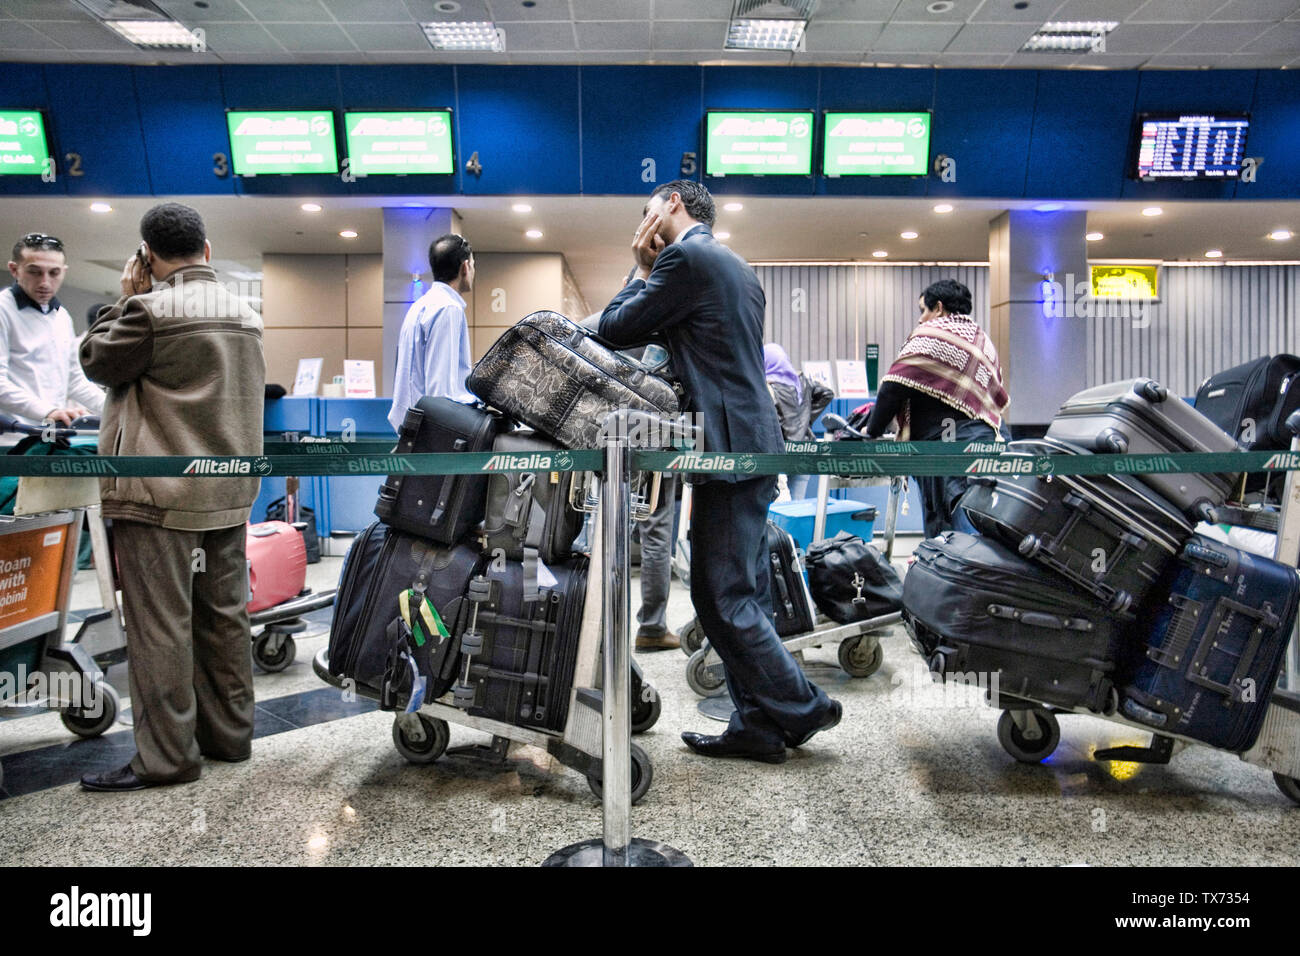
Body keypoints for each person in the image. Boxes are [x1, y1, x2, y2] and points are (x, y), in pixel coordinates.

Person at [600, 180, 840, 764]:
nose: (644, 220)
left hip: (732, 449)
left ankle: (806, 706)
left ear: (674, 205)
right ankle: (756, 725)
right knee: (743, 591)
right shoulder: (733, 264)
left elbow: (612, 329)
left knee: (720, 595)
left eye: (649, 208)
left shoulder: (683, 258)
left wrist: (638, 268)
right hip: (749, 443)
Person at [78, 203, 265, 791]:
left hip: (159, 498)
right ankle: (230, 737)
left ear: (149, 255)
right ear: (206, 250)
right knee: (223, 620)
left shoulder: (147, 310)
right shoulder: (246, 312)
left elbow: (96, 359)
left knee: (161, 627)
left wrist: (128, 295)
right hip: (229, 493)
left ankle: (166, 759)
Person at [863, 278, 1009, 538]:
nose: (921, 319)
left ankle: (958, 575)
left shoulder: (935, 334)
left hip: (950, 452)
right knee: (979, 528)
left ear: (939, 308)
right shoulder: (981, 340)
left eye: (923, 310)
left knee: (957, 531)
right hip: (987, 443)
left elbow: (894, 385)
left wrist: (871, 431)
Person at [0, 233, 104, 439]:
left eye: (54, 273)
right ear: (14, 269)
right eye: (35, 272)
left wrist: (115, 408)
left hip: (49, 436)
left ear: (64, 271)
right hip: (9, 440)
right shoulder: (3, 309)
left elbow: (74, 381)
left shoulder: (61, 316)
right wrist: (47, 411)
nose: (45, 282)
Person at [387, 233, 476, 432]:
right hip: (432, 432)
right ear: (464, 268)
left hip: (411, 426)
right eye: (473, 265)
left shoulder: (421, 305)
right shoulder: (448, 309)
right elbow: (440, 389)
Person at [764, 343, 834, 500]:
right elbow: (827, 393)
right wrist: (806, 419)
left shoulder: (767, 388)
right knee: (796, 506)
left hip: (780, 452)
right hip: (804, 450)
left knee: (778, 507)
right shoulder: (802, 383)